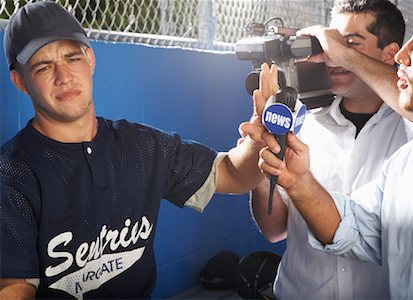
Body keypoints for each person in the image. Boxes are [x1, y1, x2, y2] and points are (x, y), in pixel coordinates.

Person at [0, 2, 269, 299]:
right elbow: (13, 289)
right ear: (20, 81)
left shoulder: (140, 145)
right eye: (44, 66)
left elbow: (233, 174)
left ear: (90, 60)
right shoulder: (11, 174)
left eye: (72, 57)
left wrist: (261, 134)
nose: (63, 76)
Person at [253, 0, 413, 298]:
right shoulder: (411, 161)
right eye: (329, 43)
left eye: (349, 43)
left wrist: (344, 54)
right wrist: (288, 177)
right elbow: (355, 227)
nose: (331, 56)